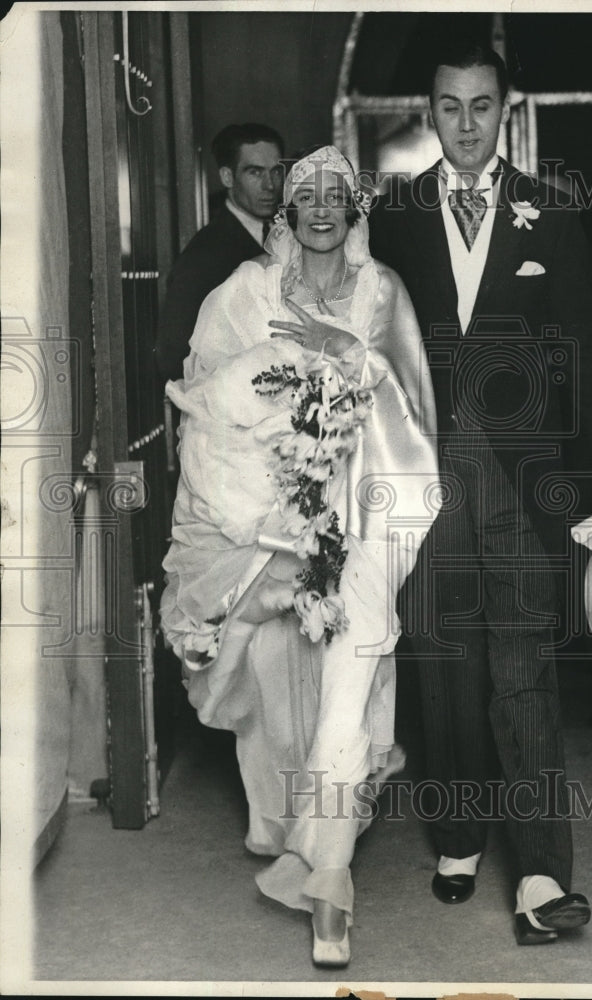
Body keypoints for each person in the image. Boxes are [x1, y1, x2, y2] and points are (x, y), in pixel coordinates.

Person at [369, 41, 592, 944]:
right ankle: (455, 835)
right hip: (425, 473)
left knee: (524, 666)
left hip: (525, 481)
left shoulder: (553, 216)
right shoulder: (394, 215)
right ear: (430, 113)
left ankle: (543, 872)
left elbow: (589, 358)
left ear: (505, 109)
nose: (468, 125)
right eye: (451, 108)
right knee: (444, 661)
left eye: (483, 106)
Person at [159, 145, 439, 968]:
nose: (321, 207)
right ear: (288, 206)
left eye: (336, 195)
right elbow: (207, 406)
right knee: (287, 688)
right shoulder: (244, 292)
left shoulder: (383, 291)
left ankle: (328, 880)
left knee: (355, 660)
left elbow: (418, 409)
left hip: (371, 515)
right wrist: (267, 495)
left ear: (355, 207)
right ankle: (300, 837)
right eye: (305, 192)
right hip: (273, 526)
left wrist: (352, 360)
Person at [154, 122, 285, 382]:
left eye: (276, 172)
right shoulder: (205, 254)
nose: (270, 185)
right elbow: (172, 357)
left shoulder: (285, 236)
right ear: (227, 177)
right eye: (255, 173)